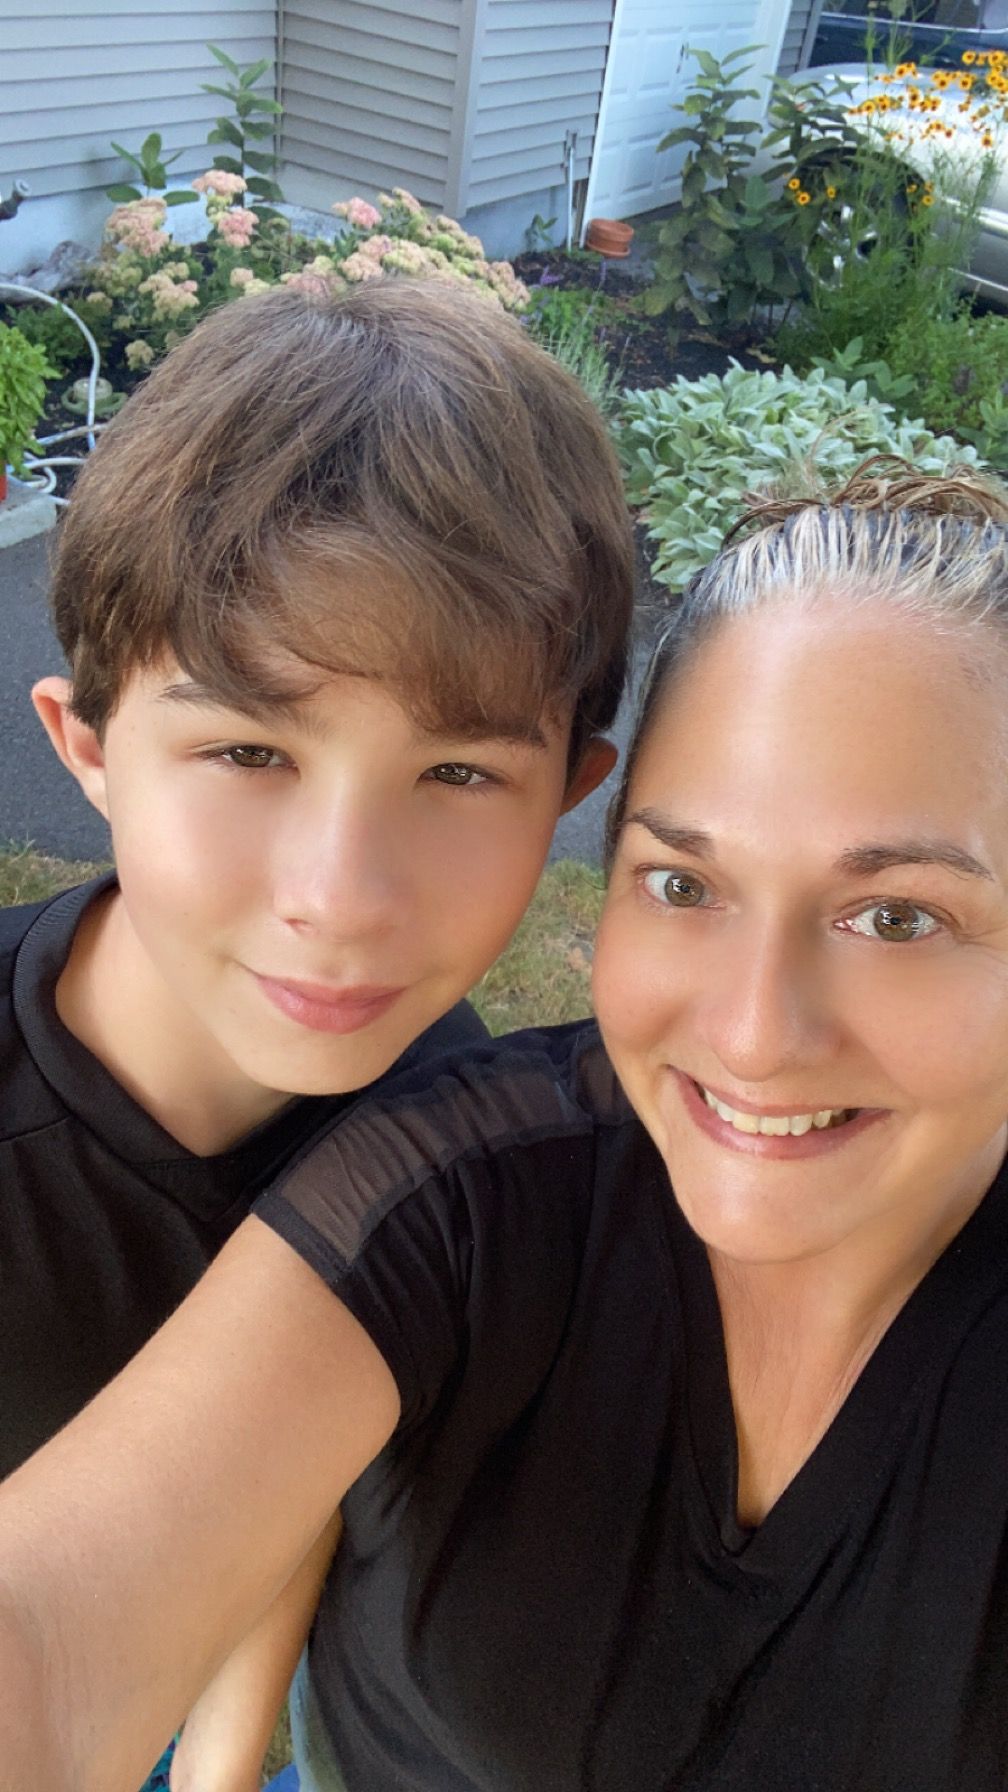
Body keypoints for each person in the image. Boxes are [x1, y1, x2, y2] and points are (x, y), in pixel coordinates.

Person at [5, 461, 1008, 1792]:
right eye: (683, 883)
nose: (755, 1033)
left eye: (898, 918)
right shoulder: (460, 1182)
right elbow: (49, 1640)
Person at [0, 277, 630, 1792]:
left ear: (569, 795)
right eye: (247, 750)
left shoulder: (462, 1154)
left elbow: (295, 1509)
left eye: (459, 775)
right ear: (88, 746)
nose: (341, 901)